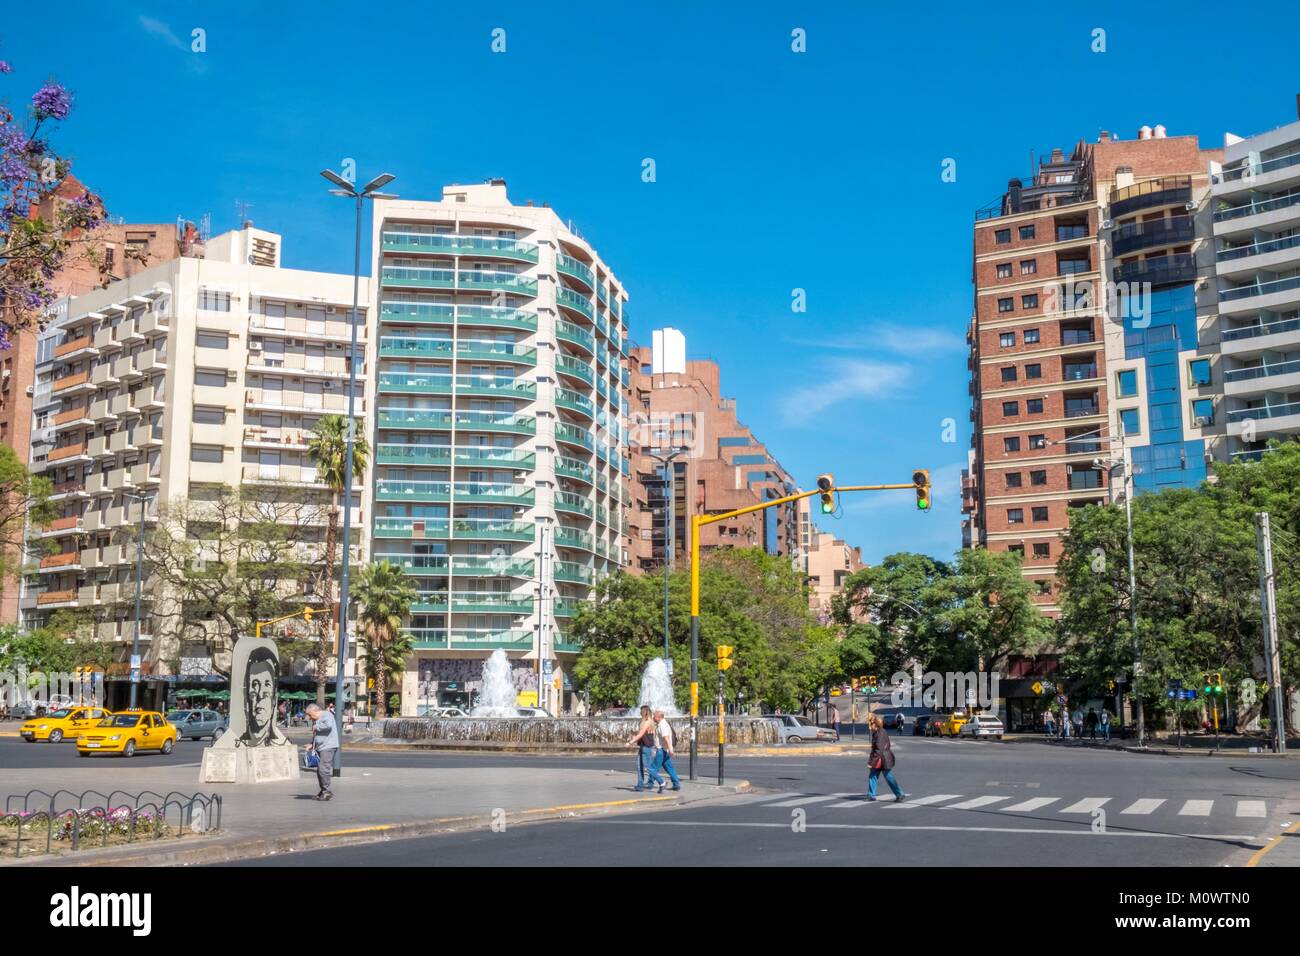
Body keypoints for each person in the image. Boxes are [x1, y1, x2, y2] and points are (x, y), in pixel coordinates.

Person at [865, 713, 905, 802]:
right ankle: (872, 795)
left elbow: (879, 749)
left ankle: (899, 793)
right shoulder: (880, 732)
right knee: (876, 775)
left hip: (882, 759)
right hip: (883, 758)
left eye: (871, 724)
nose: (870, 726)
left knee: (882, 776)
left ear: (876, 724)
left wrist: (872, 762)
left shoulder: (880, 733)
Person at [306, 703, 339, 801]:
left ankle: (326, 791)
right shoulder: (317, 719)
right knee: (320, 770)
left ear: (315, 711)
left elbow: (328, 726)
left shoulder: (327, 715)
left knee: (323, 768)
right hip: (321, 747)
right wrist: (312, 744)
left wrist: (317, 727)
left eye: (310, 714)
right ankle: (323, 790)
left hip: (328, 746)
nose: (309, 717)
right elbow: (317, 735)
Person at [626, 705, 660, 792]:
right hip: (643, 746)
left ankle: (661, 781)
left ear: (644, 712)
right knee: (639, 766)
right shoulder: (645, 721)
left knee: (648, 768)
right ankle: (640, 785)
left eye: (641, 711)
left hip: (647, 747)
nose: (639, 713)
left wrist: (630, 742)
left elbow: (641, 734)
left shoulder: (648, 722)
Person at [648, 709, 681, 792]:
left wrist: (671, 749)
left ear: (659, 717)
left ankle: (661, 783)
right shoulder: (662, 724)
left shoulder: (662, 725)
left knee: (652, 769)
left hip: (662, 750)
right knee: (670, 768)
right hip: (664, 750)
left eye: (654, 716)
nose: (653, 717)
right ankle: (676, 784)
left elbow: (666, 738)